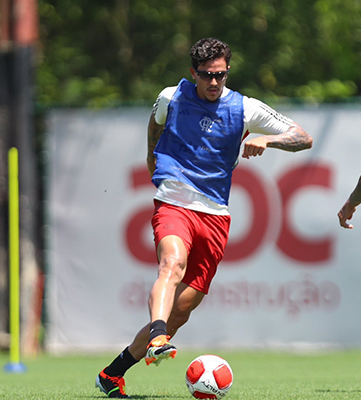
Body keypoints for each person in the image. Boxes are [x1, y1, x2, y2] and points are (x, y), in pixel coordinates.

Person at [95, 37, 313, 398]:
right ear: (193, 72)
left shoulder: (245, 108)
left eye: (221, 75)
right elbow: (155, 123)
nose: (214, 83)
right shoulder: (172, 97)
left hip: (215, 215)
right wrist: (153, 156)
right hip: (174, 201)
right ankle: (158, 334)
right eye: (207, 76)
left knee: (183, 308)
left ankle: (112, 374)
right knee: (172, 264)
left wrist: (267, 140)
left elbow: (303, 137)